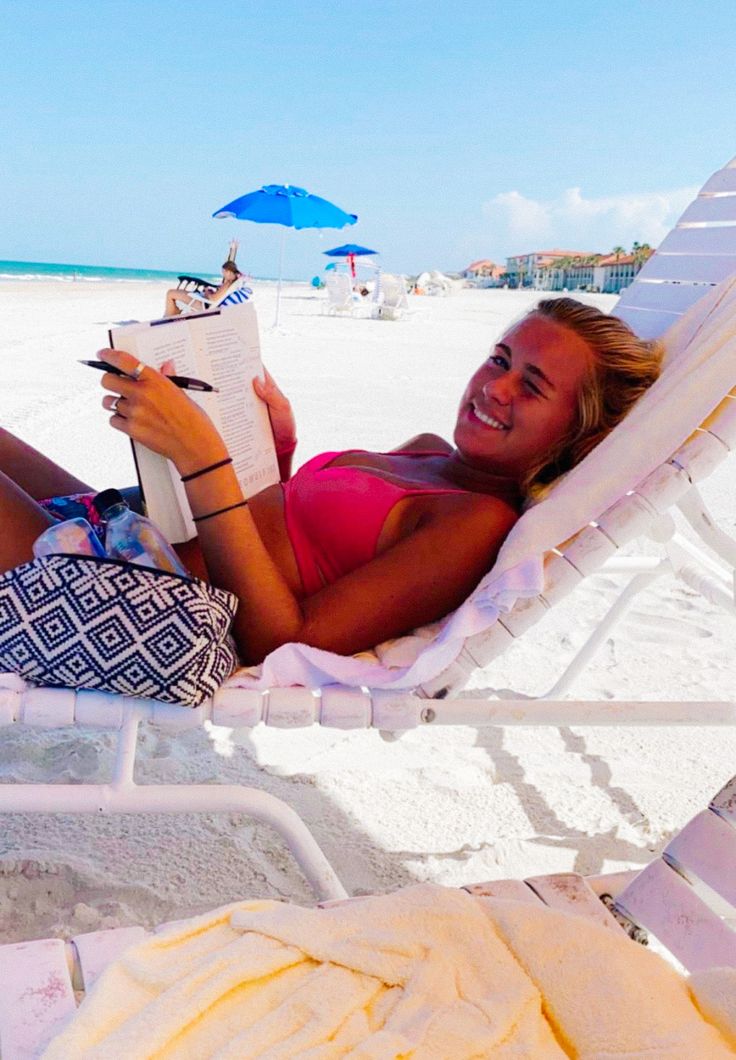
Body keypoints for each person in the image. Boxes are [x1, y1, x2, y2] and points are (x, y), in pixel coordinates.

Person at [0, 299, 662, 666]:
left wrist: (205, 460)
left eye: (532, 386)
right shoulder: (430, 454)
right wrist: (278, 448)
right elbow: (291, 540)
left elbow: (283, 640)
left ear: (579, 433)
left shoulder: (474, 523)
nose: (495, 387)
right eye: (500, 358)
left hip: (132, 588)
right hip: (131, 528)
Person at [163, 260, 242, 317]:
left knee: (170, 293)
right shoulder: (231, 282)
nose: (223, 274)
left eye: (223, 272)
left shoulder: (227, 284)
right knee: (177, 295)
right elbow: (216, 296)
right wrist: (210, 292)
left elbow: (213, 299)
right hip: (203, 301)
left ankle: (167, 317)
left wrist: (207, 291)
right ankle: (173, 314)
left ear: (228, 271)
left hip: (202, 304)